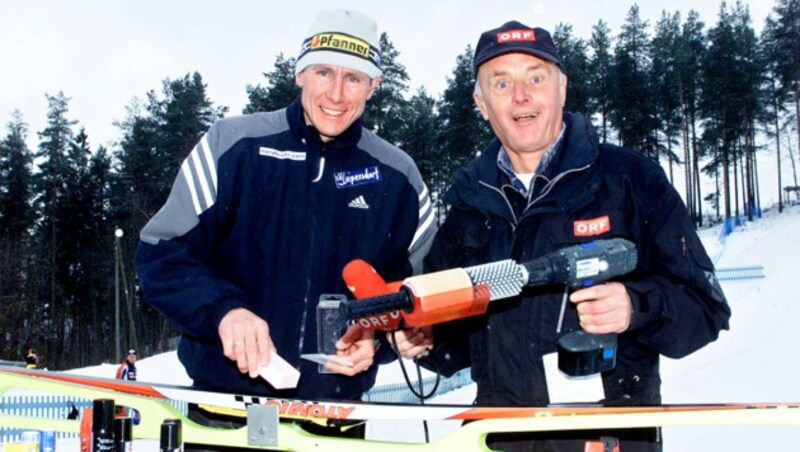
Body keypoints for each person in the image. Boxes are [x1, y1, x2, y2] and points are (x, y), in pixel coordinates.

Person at [392, 21, 731, 451]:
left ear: (562, 88)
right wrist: (425, 340)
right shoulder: (467, 204)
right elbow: (453, 341)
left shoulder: (629, 181)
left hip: (609, 438)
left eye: (536, 77)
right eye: (501, 83)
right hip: (497, 438)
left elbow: (705, 310)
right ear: (480, 102)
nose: (521, 96)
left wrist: (634, 306)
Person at [135, 8, 435, 432]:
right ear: (299, 74)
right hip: (226, 413)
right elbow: (162, 255)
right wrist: (224, 312)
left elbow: (419, 293)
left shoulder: (398, 176)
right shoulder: (232, 146)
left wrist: (380, 339)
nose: (336, 94)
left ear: (374, 86)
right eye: (323, 72)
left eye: (354, 78)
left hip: (335, 420)